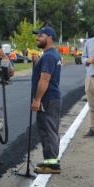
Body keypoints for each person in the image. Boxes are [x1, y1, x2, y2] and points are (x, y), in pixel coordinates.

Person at [30, 25, 62, 174]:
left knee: (48, 131)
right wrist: (37, 62)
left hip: (47, 99)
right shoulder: (52, 54)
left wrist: (37, 99)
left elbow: (45, 79)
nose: (37, 38)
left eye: (41, 35)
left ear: (49, 37)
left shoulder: (49, 56)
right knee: (49, 130)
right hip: (52, 98)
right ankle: (50, 160)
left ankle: (52, 165)